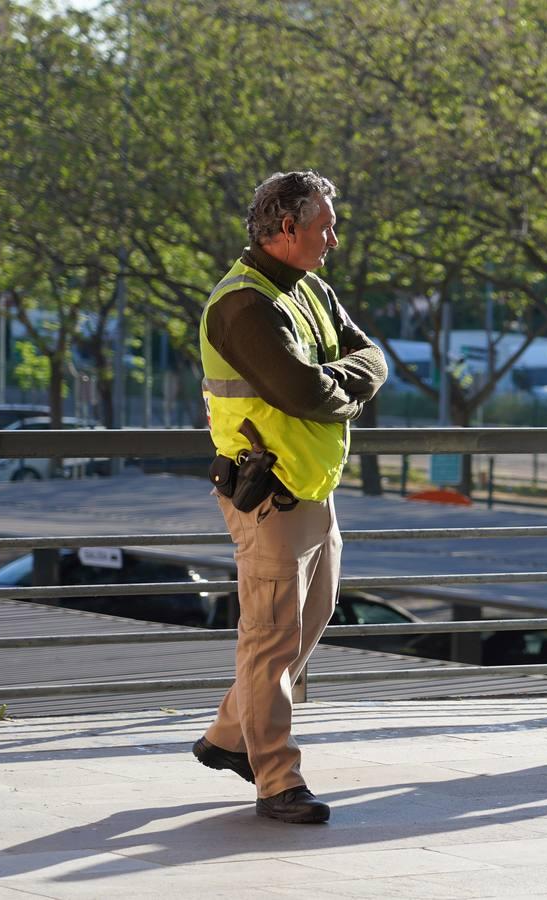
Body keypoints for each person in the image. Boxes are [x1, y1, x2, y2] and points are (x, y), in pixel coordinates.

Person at [191, 171, 386, 823]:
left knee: (305, 627)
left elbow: (372, 358)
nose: (333, 239)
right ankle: (276, 779)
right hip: (268, 494)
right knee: (270, 639)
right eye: (324, 226)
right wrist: (345, 385)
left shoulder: (310, 291)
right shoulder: (244, 306)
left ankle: (226, 737)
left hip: (313, 489)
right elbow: (302, 394)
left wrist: (341, 381)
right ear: (285, 230)